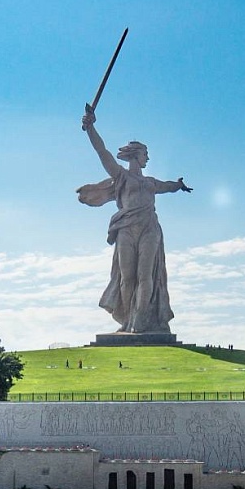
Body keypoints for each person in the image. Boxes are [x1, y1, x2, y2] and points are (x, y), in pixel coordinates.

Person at [78, 108, 192, 334]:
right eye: (145, 154)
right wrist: (90, 127)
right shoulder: (121, 176)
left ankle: (140, 321)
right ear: (135, 154)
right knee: (127, 278)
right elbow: (102, 151)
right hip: (126, 229)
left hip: (149, 228)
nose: (147, 158)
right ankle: (127, 319)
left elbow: (167, 186)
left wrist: (179, 185)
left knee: (145, 275)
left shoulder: (150, 182)